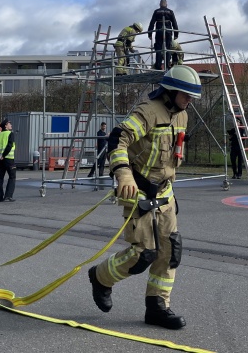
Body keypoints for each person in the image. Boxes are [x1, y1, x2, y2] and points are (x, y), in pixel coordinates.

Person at [87, 65, 202, 330]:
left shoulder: (182, 115)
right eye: (186, 95)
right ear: (170, 91)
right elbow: (118, 140)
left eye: (192, 96)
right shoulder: (148, 111)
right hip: (137, 190)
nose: (189, 101)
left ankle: (157, 307)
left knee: (170, 250)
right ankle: (101, 278)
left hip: (165, 193)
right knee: (144, 254)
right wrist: (124, 175)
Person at [147, 0, 179, 71]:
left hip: (159, 31)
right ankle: (167, 65)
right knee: (168, 48)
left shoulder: (156, 11)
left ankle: (158, 66)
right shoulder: (170, 12)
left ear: (160, 4)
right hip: (168, 31)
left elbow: (152, 23)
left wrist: (150, 33)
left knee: (158, 48)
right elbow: (174, 23)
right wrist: (176, 34)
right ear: (166, 4)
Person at [0, 118, 16, 202]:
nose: (11, 125)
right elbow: (9, 146)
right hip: (9, 159)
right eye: (10, 124)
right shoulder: (10, 134)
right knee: (12, 177)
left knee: (0, 178)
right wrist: (4, 155)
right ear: (6, 126)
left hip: (0, 160)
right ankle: (8, 196)